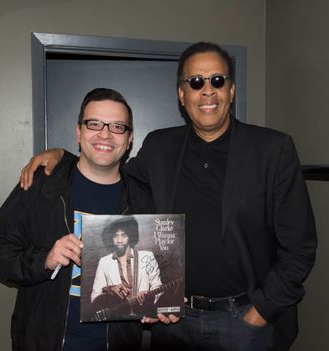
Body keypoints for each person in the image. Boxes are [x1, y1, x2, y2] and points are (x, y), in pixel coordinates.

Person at [19, 42, 317, 351]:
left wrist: (261, 312)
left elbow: (300, 246)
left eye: (217, 80)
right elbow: (109, 170)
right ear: (182, 94)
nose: (207, 91)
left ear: (231, 91)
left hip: (244, 322)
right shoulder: (159, 147)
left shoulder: (273, 150)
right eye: (196, 82)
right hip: (174, 323)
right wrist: (64, 157)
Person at [0, 88, 155, 351]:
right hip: (44, 343)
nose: (105, 134)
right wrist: (45, 259)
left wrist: (151, 304)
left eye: (118, 126)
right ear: (79, 132)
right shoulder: (42, 183)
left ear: (129, 138)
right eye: (94, 123)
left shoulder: (143, 200)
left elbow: (150, 278)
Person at [90, 215, 162, 321]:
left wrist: (148, 298)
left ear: (130, 236)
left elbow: (158, 288)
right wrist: (110, 290)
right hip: (117, 320)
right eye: (115, 236)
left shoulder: (147, 256)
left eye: (124, 235)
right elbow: (95, 296)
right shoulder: (104, 262)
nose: (119, 240)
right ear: (111, 237)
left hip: (143, 317)